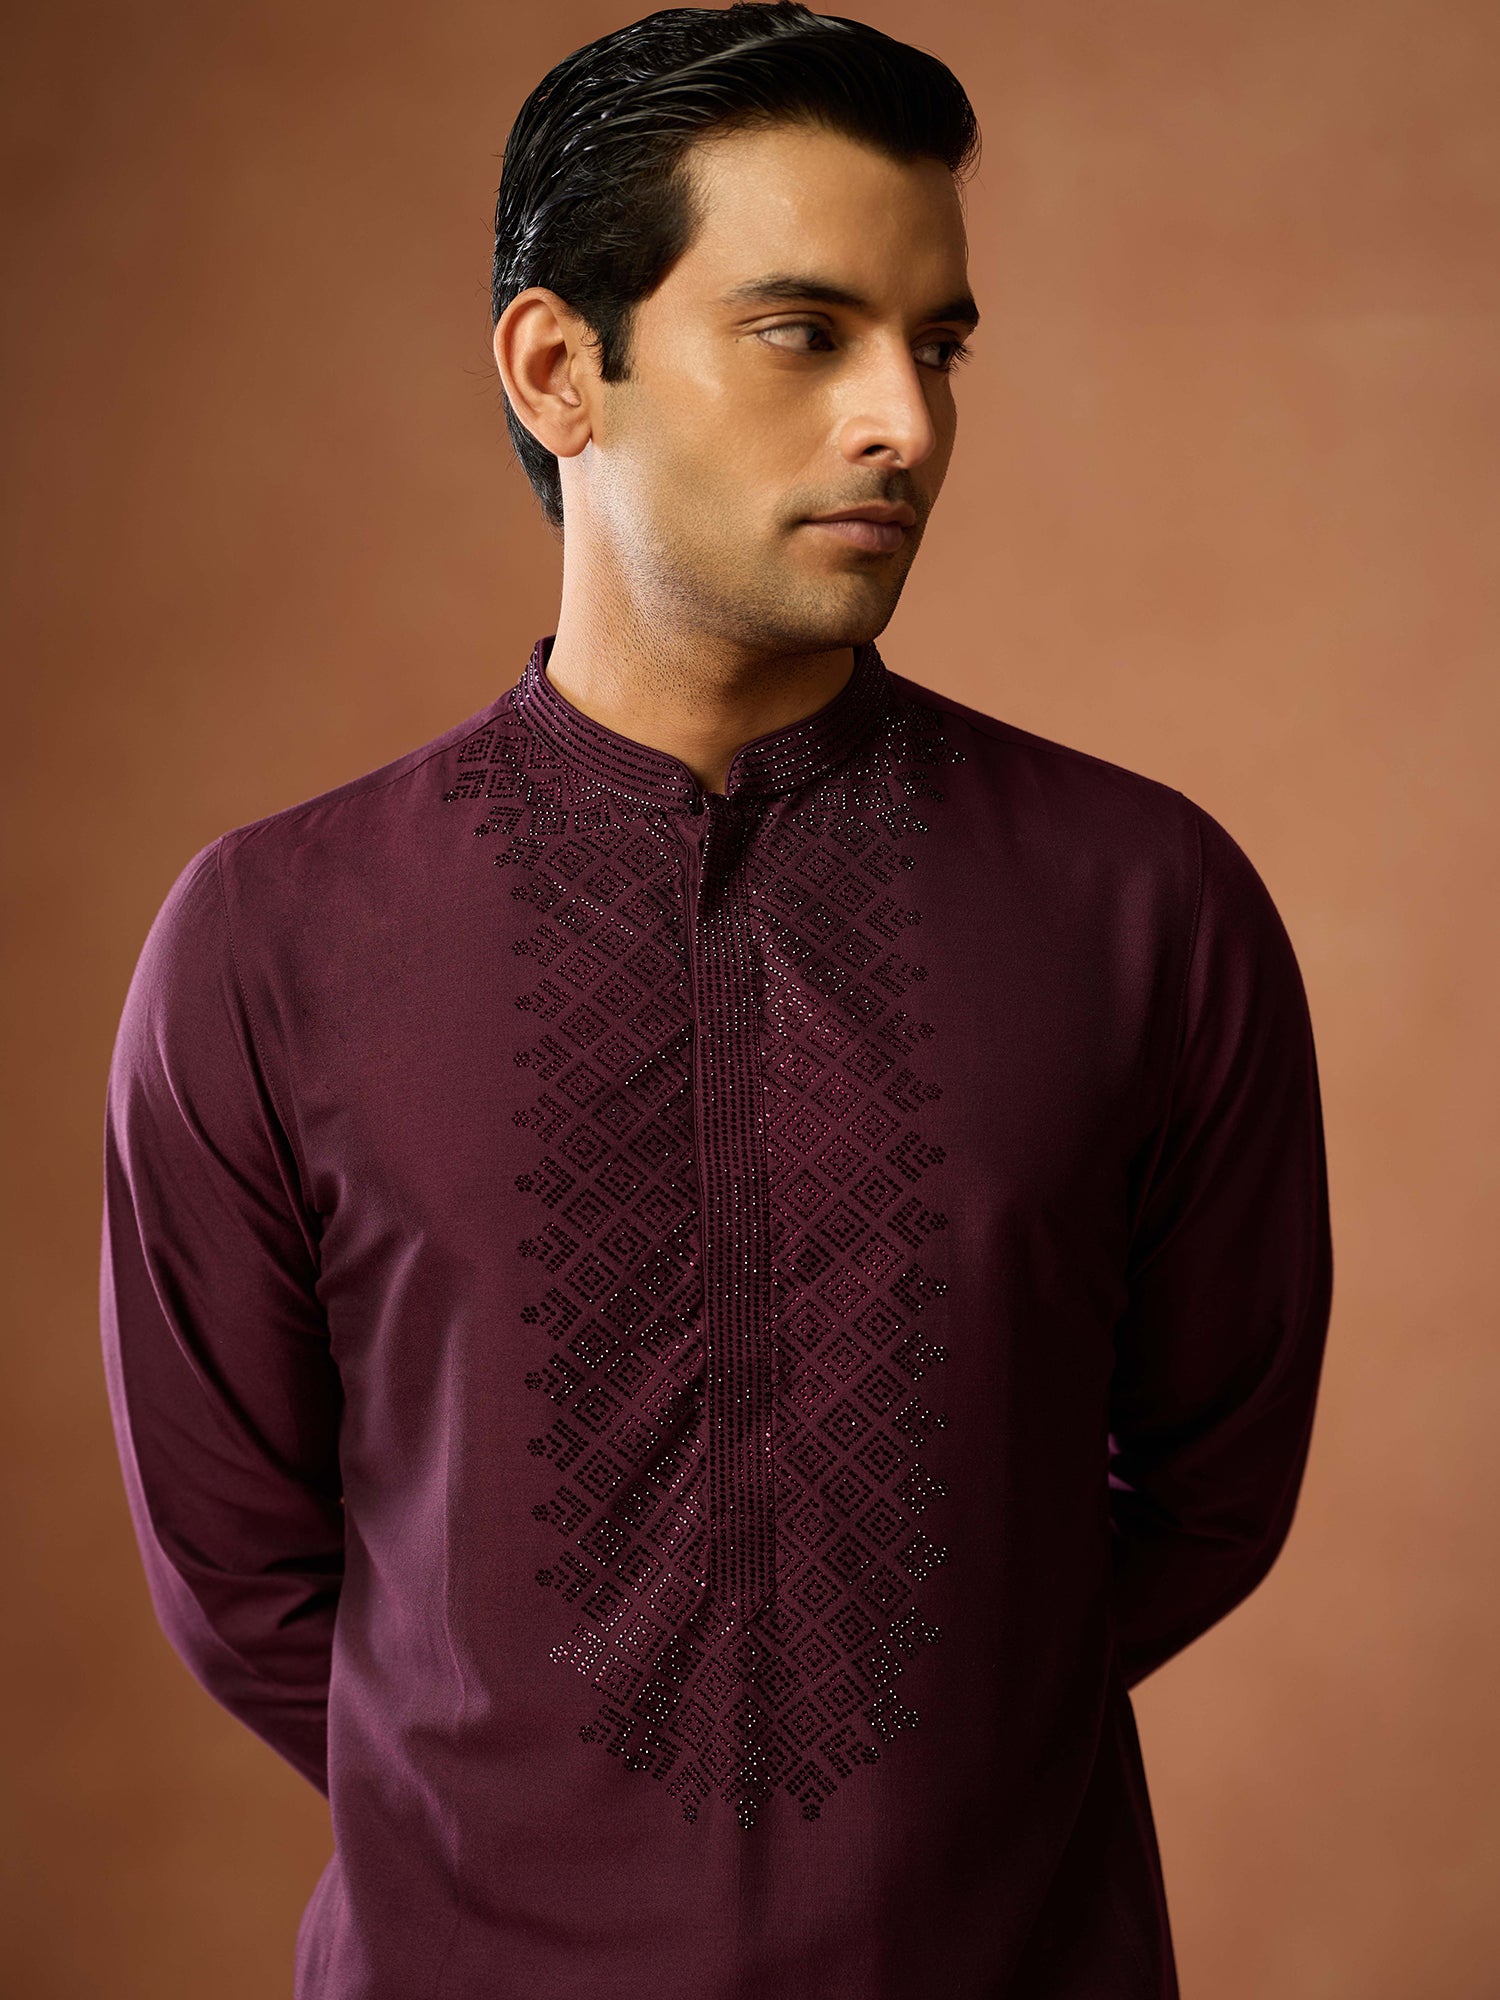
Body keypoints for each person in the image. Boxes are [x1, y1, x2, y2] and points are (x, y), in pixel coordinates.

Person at [99, 5, 1334, 1996]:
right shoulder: (268, 940)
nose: (904, 420)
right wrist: (522, 1822)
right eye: (804, 332)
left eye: (936, 346)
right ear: (556, 369)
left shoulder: (1146, 906)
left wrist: (942, 1766)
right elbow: (240, 1568)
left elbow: (1215, 1484)